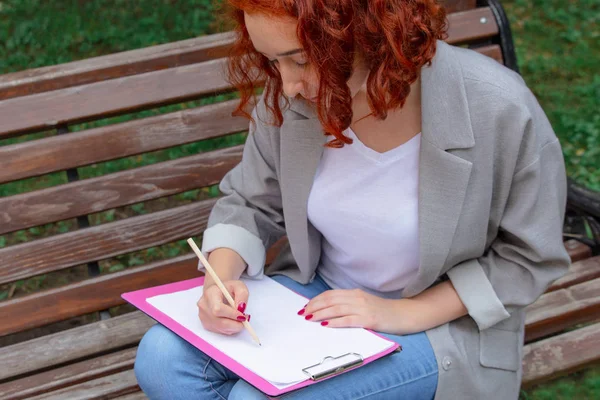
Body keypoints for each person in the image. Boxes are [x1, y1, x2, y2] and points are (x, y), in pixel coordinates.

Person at [134, 0, 571, 399]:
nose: (286, 85)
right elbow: (249, 201)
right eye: (272, 60)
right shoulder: (294, 101)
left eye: (301, 60)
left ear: (369, 35)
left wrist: (403, 313)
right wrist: (220, 280)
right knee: (162, 358)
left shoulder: (498, 107)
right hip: (318, 296)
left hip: (437, 324)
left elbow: (528, 256)